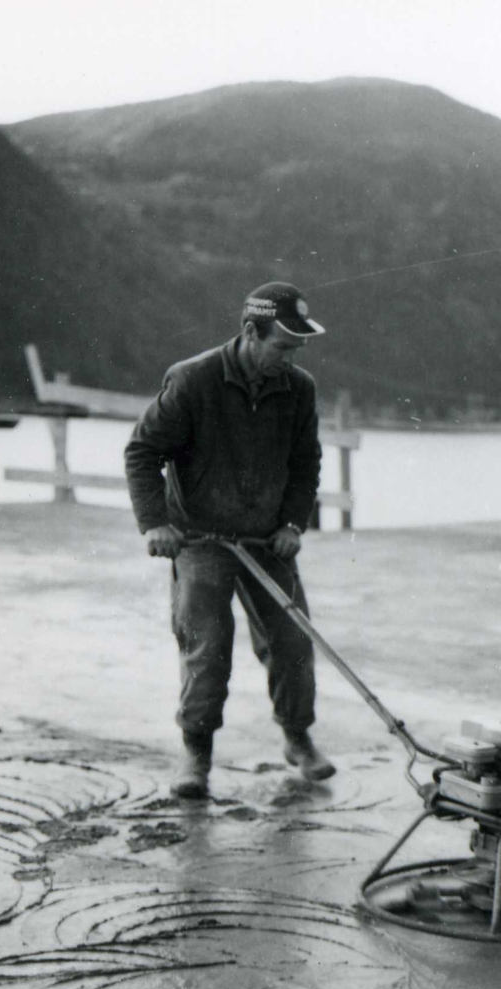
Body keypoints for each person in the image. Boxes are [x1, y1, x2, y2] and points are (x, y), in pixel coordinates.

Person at [124, 281, 336, 798]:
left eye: (295, 351)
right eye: (280, 347)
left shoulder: (298, 389)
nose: (288, 360)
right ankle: (196, 753)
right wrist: (155, 523)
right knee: (207, 647)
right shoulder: (193, 380)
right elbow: (142, 452)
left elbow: (306, 464)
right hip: (201, 539)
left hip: (268, 540)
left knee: (291, 641)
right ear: (249, 332)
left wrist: (292, 524)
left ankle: (297, 738)